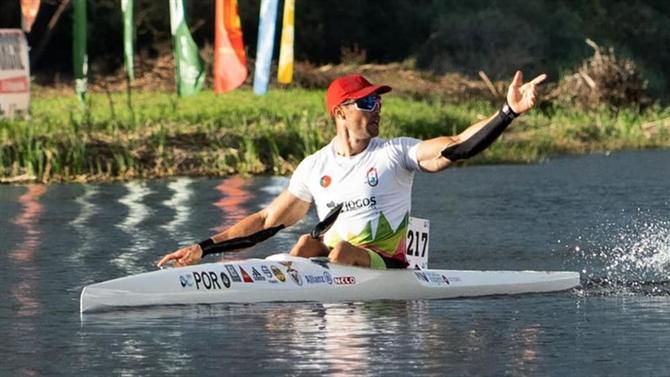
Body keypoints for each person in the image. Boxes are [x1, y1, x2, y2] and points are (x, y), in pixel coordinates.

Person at [158, 71, 547, 269]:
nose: (378, 109)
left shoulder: (396, 152)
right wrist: (203, 249)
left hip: (389, 265)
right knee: (303, 246)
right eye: (368, 103)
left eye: (378, 102)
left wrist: (507, 112)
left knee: (338, 248)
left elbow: (458, 147)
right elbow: (265, 221)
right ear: (340, 111)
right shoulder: (315, 166)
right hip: (338, 265)